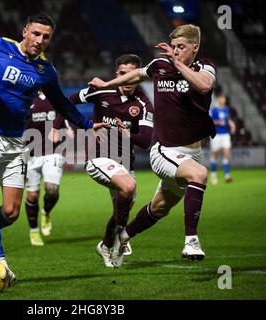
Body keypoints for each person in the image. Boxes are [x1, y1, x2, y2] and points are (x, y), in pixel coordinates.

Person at [0, 12, 106, 283]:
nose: (40, 40)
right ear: (25, 31)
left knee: (10, 213)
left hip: (15, 145)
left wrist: (88, 125)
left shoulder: (46, 71)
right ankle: (1, 266)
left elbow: (63, 105)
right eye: (36, 33)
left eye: (46, 37)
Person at [89, 24, 216, 267]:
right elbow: (136, 75)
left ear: (195, 47)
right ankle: (191, 241)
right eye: (174, 47)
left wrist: (177, 64)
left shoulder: (206, 67)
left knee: (158, 209)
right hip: (164, 150)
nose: (176, 52)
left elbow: (204, 86)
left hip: (192, 153)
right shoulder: (160, 66)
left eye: (181, 47)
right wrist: (107, 84)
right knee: (199, 175)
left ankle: (119, 239)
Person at [53, 54, 154, 267]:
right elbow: (67, 102)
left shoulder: (143, 104)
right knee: (128, 187)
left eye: (131, 75)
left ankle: (107, 244)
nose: (126, 80)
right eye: (122, 74)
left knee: (121, 210)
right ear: (116, 75)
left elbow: (145, 141)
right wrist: (56, 127)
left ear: (138, 76)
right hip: (98, 159)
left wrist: (127, 133)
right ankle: (119, 238)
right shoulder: (102, 91)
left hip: (126, 164)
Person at [24, 90, 74, 246]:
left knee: (52, 190)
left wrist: (68, 129)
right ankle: (34, 231)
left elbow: (64, 115)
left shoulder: (56, 97)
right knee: (32, 196)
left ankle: (46, 212)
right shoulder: (25, 98)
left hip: (53, 151)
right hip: (30, 154)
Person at [209, 93, 236, 184]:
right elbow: (210, 121)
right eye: (221, 98)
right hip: (216, 135)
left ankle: (227, 175)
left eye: (224, 98)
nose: (223, 100)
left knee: (226, 154)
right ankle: (213, 176)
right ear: (218, 99)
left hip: (225, 135)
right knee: (215, 155)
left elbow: (227, 120)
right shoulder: (214, 110)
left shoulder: (226, 109)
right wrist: (218, 122)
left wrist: (232, 125)